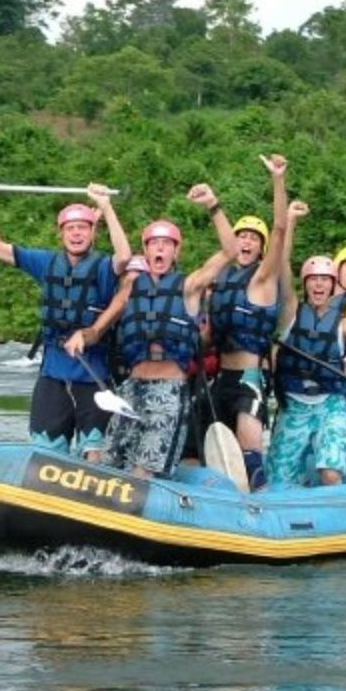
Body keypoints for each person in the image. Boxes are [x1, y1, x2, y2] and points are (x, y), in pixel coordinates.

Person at [77, 184, 238, 480]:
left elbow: (231, 251)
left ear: (176, 251)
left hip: (168, 392)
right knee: (108, 464)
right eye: (153, 244)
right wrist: (80, 336)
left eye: (166, 244)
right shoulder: (131, 288)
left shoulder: (189, 287)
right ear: (146, 250)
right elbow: (97, 329)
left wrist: (213, 205)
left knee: (143, 473)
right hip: (131, 390)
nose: (159, 248)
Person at [0, 179, 131, 457]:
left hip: (93, 375)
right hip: (53, 373)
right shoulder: (45, 262)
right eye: (70, 228)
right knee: (45, 449)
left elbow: (125, 256)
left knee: (93, 451)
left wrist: (106, 206)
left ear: (93, 232)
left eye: (83, 227)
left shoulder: (105, 267)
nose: (76, 233)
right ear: (61, 233)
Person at [269, 201, 346, 487]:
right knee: (280, 479)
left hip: (331, 403)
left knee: (331, 471)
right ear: (306, 284)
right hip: (294, 404)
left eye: (325, 280)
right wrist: (291, 221)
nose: (319, 285)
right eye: (313, 280)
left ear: (333, 284)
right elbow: (282, 266)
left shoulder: (344, 323)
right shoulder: (290, 312)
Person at [207, 154, 289, 489]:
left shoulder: (263, 279)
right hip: (219, 380)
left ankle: (263, 507)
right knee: (203, 450)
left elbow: (281, 228)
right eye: (241, 236)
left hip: (248, 380)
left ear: (261, 249)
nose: (246, 241)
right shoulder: (220, 280)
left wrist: (278, 180)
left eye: (254, 239)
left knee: (250, 455)